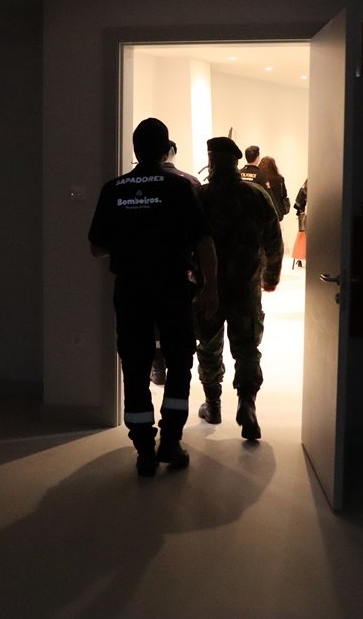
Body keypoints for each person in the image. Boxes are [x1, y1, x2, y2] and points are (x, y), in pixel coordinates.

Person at [89, 118, 219, 476]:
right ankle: (171, 442)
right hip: (173, 288)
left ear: (135, 149)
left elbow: (96, 247)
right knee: (178, 361)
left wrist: (129, 242)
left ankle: (144, 448)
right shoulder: (179, 187)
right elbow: (203, 240)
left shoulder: (113, 189)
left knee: (135, 365)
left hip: (131, 290)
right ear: (166, 150)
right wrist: (210, 286)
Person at [192, 136, 283, 440]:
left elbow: (186, 241)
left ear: (211, 161)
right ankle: (247, 403)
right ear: (236, 161)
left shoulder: (200, 196)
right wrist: (271, 277)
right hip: (246, 288)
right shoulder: (256, 195)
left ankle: (213, 404)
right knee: (246, 349)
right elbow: (274, 241)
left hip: (208, 288)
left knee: (208, 346)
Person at [150, 139, 201, 386]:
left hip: (143, 271)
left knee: (150, 323)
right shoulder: (190, 183)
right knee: (179, 325)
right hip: (180, 269)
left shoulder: (126, 186)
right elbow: (201, 233)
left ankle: (156, 365)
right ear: (170, 153)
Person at [258, 156, 291, 221]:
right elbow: (284, 194)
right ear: (274, 166)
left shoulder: (260, 179)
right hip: (278, 209)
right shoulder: (280, 179)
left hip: (263, 209)